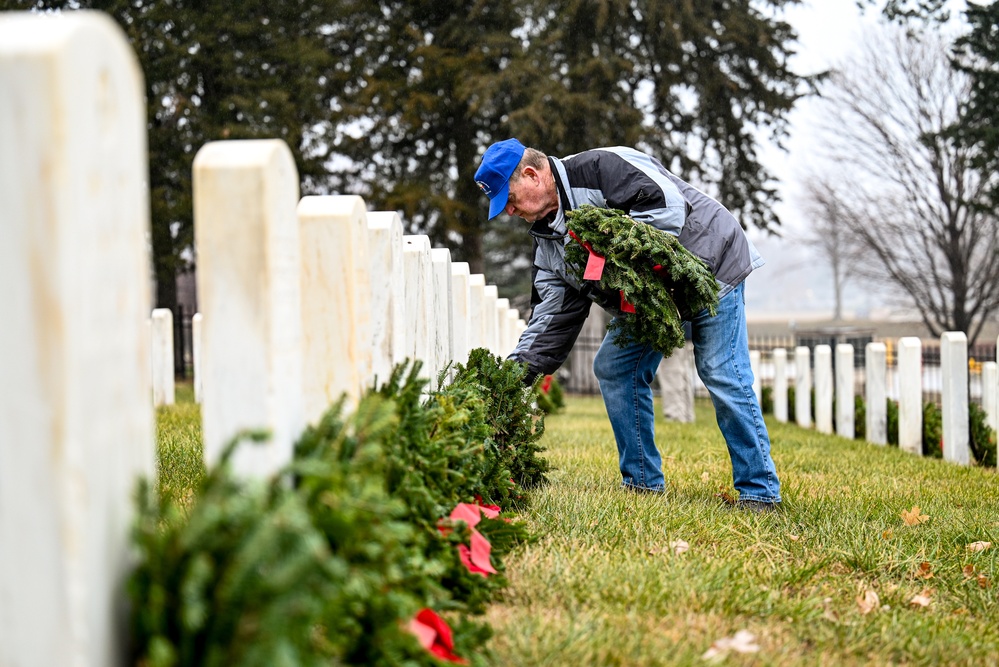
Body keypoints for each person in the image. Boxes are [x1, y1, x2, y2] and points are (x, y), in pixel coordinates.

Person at [473, 138, 781, 511]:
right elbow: (550, 318)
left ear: (531, 175)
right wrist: (513, 375)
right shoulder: (548, 245)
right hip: (649, 302)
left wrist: (600, 249)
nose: (508, 211)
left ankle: (759, 491)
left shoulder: (602, 168)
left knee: (721, 371)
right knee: (615, 367)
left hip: (709, 265)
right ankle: (642, 484)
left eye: (508, 198)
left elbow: (666, 207)